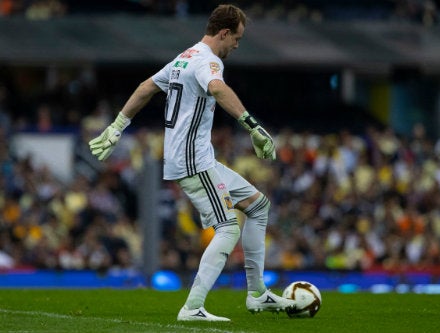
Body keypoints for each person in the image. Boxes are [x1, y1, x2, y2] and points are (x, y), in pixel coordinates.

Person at [88, 4, 295, 322]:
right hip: (192, 160)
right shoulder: (208, 61)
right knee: (227, 229)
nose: (236, 46)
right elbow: (217, 88)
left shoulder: (185, 56)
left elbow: (146, 88)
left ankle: (257, 295)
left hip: (197, 157)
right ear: (223, 33)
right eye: (236, 39)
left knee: (258, 206)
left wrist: (117, 126)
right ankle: (192, 307)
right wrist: (252, 126)